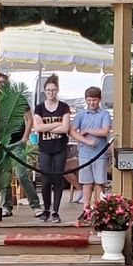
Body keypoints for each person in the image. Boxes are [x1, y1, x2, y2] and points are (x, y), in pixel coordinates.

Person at [0, 73, 43, 217]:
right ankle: (6, 207)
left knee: (22, 174)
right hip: (2, 143)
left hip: (17, 143)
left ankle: (35, 205)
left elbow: (29, 119)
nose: (0, 85)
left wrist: (25, 137)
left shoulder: (18, 97)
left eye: (2, 82)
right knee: (4, 177)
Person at [69, 86, 111, 221]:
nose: (91, 103)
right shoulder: (81, 114)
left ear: (99, 100)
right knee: (86, 182)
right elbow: (73, 131)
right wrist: (85, 141)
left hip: (100, 153)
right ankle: (86, 209)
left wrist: (88, 130)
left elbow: (104, 131)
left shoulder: (104, 114)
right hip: (85, 153)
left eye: (94, 100)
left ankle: (98, 208)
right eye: (89, 100)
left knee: (99, 182)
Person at [33, 74, 70, 223]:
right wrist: (56, 124)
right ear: (44, 91)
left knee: (58, 179)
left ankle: (56, 211)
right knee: (46, 179)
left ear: (57, 90)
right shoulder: (40, 108)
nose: (51, 93)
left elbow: (66, 128)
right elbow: (38, 127)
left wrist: (47, 127)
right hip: (45, 148)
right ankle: (46, 209)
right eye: (48, 90)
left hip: (60, 148)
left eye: (53, 90)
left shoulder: (64, 107)